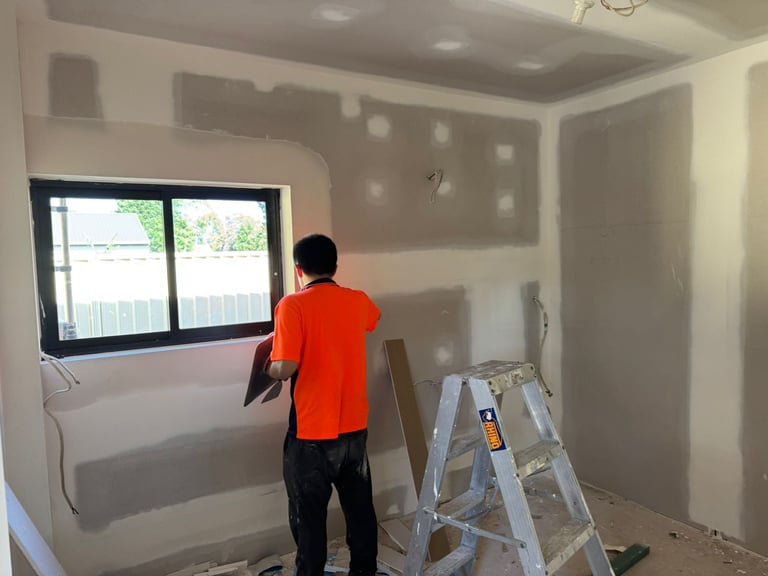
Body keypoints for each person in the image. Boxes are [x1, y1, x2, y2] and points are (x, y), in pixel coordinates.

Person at [266, 233, 381, 576]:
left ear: (298, 268)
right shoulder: (357, 299)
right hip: (355, 429)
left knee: (310, 520)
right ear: (335, 265)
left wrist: (268, 368)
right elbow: (372, 319)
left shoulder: (293, 305)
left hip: (312, 433)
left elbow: (285, 367)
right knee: (361, 514)